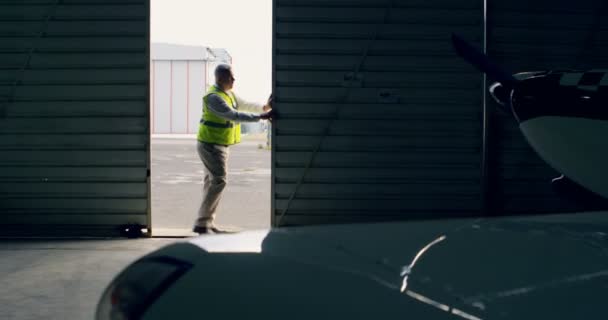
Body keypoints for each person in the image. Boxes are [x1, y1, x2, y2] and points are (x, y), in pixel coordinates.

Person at [194, 64, 273, 235]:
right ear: (221, 78)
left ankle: (206, 222)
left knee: (212, 183)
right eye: (231, 77)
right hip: (211, 145)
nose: (234, 80)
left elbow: (245, 105)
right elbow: (232, 115)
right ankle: (202, 223)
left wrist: (264, 107)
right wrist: (262, 117)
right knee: (219, 181)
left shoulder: (228, 94)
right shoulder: (213, 97)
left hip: (218, 144)